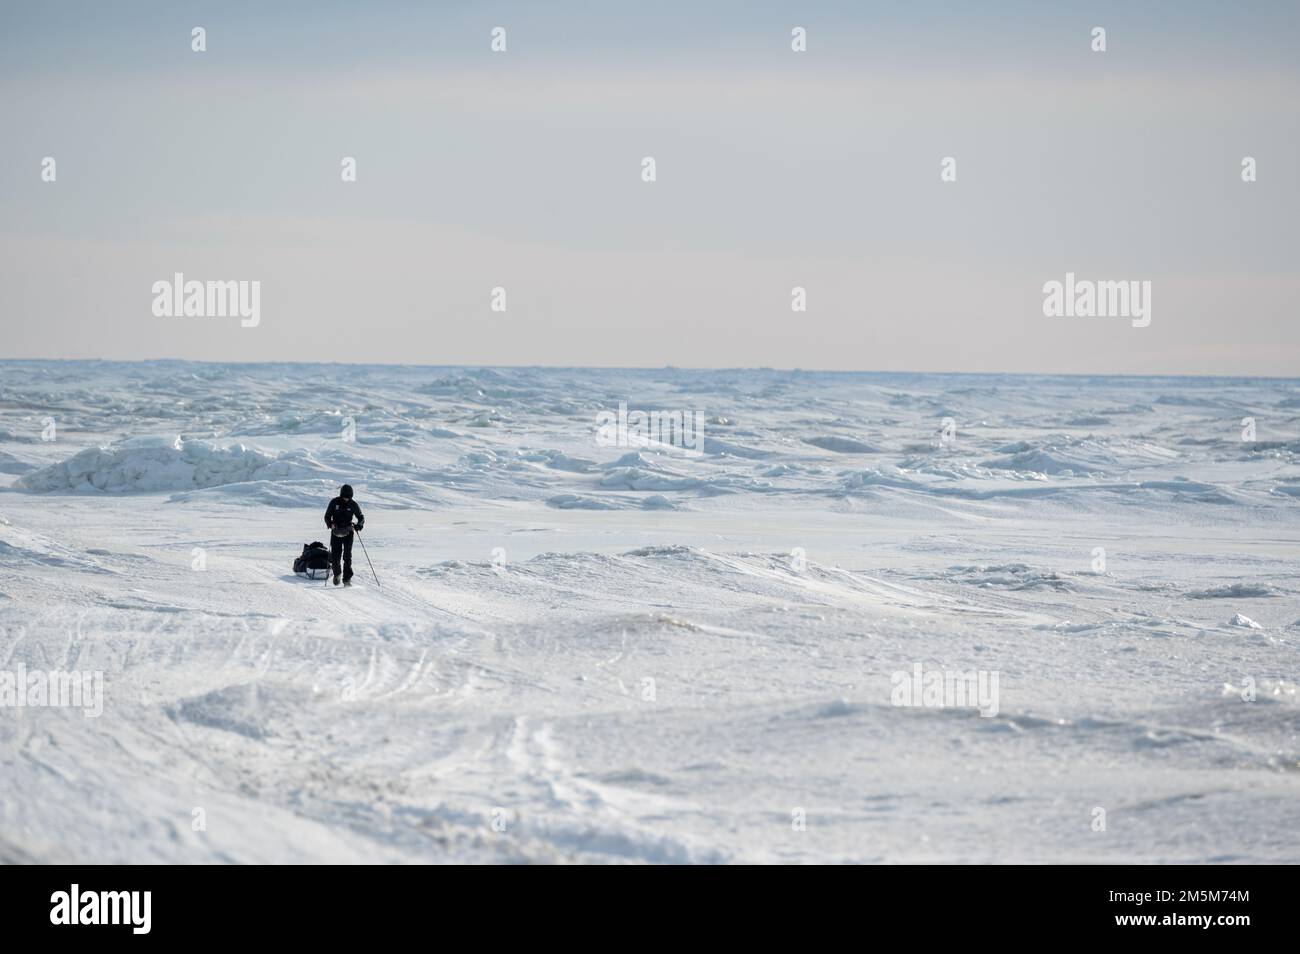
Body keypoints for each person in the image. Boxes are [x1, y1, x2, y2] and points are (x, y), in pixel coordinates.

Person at [323, 484, 365, 586]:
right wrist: (330, 524)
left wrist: (358, 526)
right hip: (336, 532)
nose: (346, 499)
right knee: (335, 556)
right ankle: (337, 574)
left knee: (347, 556)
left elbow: (361, 517)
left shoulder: (353, 504)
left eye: (348, 497)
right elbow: (327, 516)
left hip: (348, 532)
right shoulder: (334, 502)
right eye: (345, 497)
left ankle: (347, 579)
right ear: (341, 495)